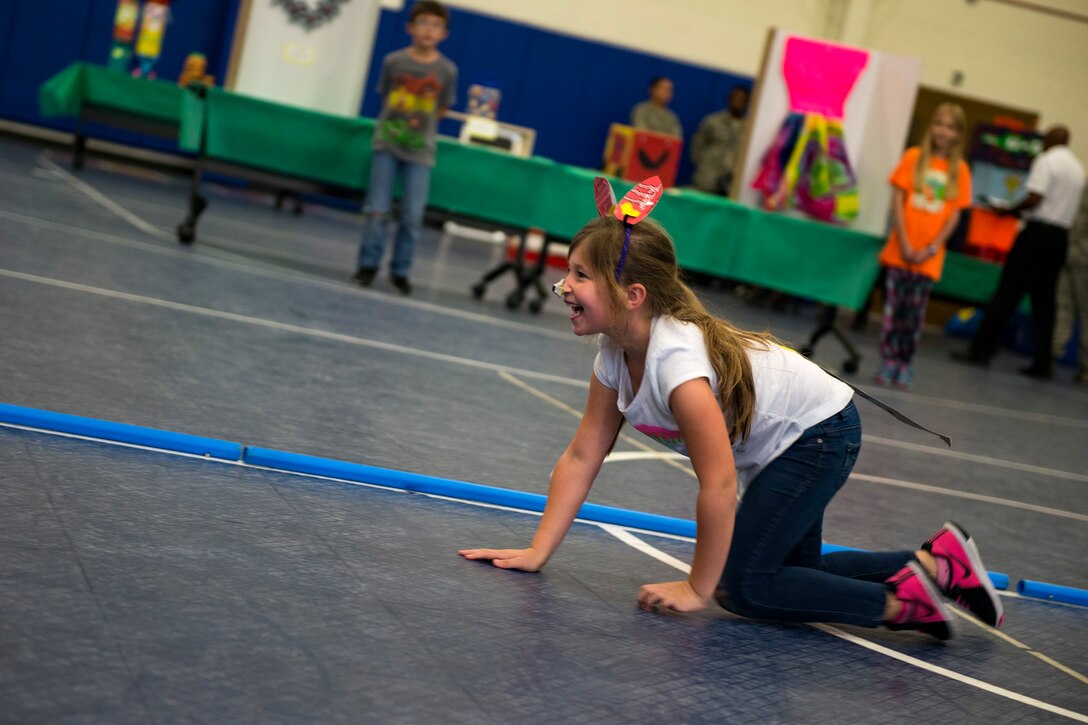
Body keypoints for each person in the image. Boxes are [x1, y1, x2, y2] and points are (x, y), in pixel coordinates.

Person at [459, 180, 1003, 639]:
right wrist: (537, 550)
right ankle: (938, 565)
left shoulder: (676, 365)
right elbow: (582, 456)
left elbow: (717, 485)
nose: (563, 285)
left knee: (744, 587)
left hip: (818, 434)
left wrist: (698, 588)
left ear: (633, 296)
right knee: (793, 573)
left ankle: (904, 606)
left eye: (580, 274)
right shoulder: (614, 354)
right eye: (567, 271)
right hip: (797, 437)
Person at [951, 125, 1086, 378]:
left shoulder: (1047, 160)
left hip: (1036, 235)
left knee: (1007, 294)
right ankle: (1044, 364)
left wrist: (1008, 210)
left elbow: (1035, 198)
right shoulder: (1079, 169)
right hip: (1059, 239)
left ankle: (980, 350)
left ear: (1050, 140)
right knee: (1045, 303)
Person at [354, 1, 458, 295]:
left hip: (420, 152)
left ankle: (400, 271)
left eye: (436, 25)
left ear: (444, 34)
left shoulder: (446, 70)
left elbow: (442, 107)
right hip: (387, 144)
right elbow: (386, 94)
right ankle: (367, 266)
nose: (429, 30)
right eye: (423, 22)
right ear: (409, 27)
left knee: (412, 216)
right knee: (377, 209)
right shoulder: (394, 61)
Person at [875, 103, 972, 389]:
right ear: (932, 126)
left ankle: (905, 363)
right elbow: (898, 202)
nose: (943, 130)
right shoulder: (914, 157)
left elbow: (954, 215)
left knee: (914, 315)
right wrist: (905, 242)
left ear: (958, 134)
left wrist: (931, 248)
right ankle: (888, 359)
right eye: (939, 123)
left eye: (951, 126)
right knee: (894, 310)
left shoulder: (961, 170)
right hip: (900, 251)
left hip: (928, 258)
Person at [1052, 190, 1088, 384]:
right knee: (1062, 305)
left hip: (1081, 255)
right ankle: (1051, 354)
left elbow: (1082, 218)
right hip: (1073, 253)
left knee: (1082, 311)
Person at [690, 86, 750, 196]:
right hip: (707, 178)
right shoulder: (713, 121)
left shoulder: (748, 129)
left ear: (746, 103)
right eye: (735, 98)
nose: (737, 102)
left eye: (742, 99)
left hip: (731, 183)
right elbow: (697, 145)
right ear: (729, 99)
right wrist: (703, 166)